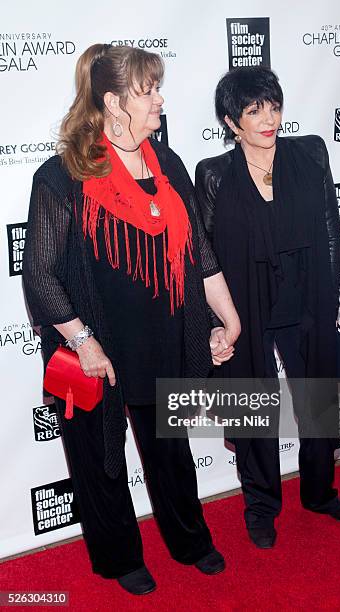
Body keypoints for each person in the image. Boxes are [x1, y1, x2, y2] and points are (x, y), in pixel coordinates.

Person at [22, 44, 240, 595]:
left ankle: (190, 540)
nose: (161, 100)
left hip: (164, 338)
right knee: (100, 458)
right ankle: (120, 556)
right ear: (114, 101)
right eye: (150, 91)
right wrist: (83, 340)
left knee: (172, 452)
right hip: (97, 347)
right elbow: (39, 275)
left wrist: (228, 320)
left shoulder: (167, 164)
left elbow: (201, 255)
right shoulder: (63, 175)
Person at [195, 66, 340, 550]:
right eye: (254, 110)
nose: (268, 119)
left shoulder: (310, 153)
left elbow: (332, 229)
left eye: (273, 107)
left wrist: (329, 300)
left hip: (305, 295)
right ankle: (262, 506)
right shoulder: (213, 174)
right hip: (246, 304)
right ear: (232, 122)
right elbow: (205, 255)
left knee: (320, 398)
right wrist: (218, 323)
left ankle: (319, 492)